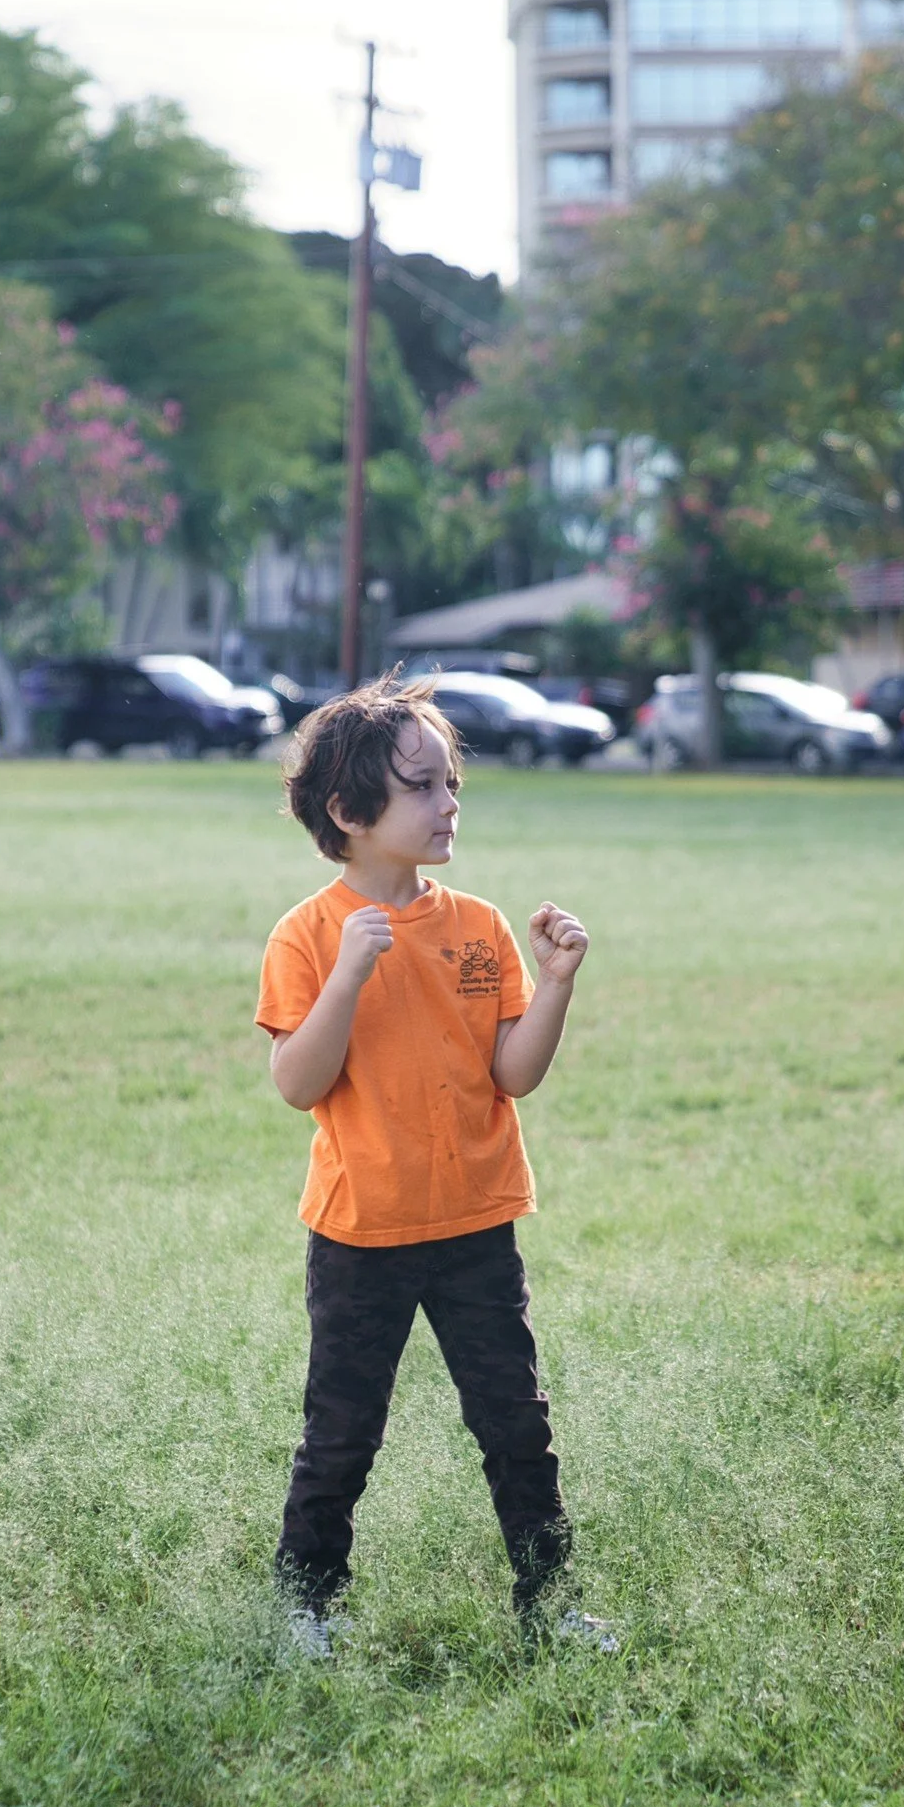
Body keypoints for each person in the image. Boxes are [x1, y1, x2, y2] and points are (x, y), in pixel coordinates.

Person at [255, 678, 603, 1655]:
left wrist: (556, 988)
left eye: (452, 784)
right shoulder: (310, 934)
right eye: (421, 787)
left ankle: (551, 1608)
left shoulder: (479, 925)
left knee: (516, 1428)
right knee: (340, 1436)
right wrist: (350, 973)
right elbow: (297, 1080)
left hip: (474, 1223)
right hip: (361, 1229)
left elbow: (511, 1075)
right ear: (347, 811)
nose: (448, 805)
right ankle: (307, 1607)